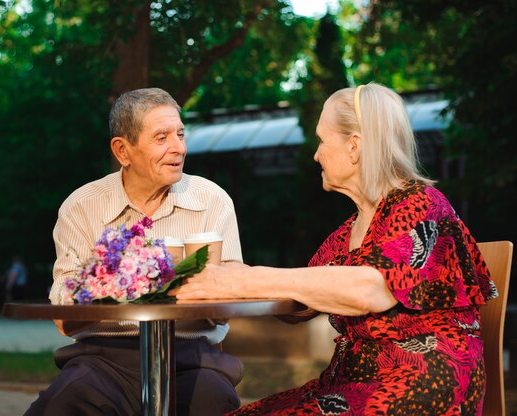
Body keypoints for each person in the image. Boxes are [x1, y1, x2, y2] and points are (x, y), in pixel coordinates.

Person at [172, 83, 498, 415]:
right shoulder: (345, 234)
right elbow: (298, 303)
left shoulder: (420, 205)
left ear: (354, 146)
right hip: (351, 383)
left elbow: (370, 289)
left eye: (322, 141)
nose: (315, 154)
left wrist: (247, 279)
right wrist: (221, 287)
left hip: (421, 382)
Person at [25, 87, 244, 415]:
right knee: (61, 404)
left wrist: (209, 285)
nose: (179, 148)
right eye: (162, 137)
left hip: (192, 358)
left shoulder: (213, 200)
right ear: (123, 151)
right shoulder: (83, 206)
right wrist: (112, 279)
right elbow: (64, 318)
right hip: (103, 359)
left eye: (180, 134)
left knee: (212, 401)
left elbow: (229, 306)